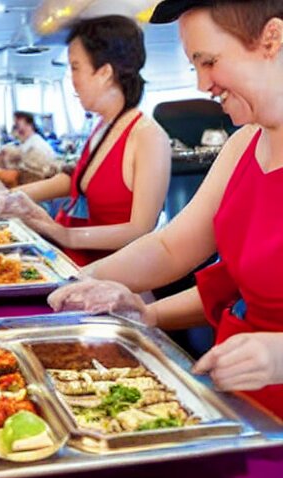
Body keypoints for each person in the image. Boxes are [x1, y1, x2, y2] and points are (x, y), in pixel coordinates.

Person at [48, 0, 283, 418]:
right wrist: (83, 285)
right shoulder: (243, 143)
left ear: (272, 40)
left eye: (208, 61)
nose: (201, 83)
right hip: (231, 400)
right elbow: (172, 247)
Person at [0, 16, 171, 267]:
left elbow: (139, 230)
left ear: (104, 73)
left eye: (76, 67)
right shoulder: (104, 126)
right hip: (72, 260)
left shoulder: (148, 136)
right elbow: (75, 181)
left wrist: (63, 233)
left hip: (109, 273)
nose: (72, 80)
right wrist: (2, 195)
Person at [0, 110, 57, 187]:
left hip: (39, 183)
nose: (16, 129)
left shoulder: (35, 145)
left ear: (29, 124)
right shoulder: (29, 142)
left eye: (17, 124)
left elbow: (30, 173)